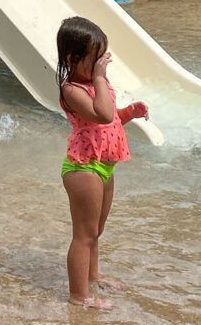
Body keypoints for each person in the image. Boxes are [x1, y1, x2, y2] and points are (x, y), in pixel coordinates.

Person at [57, 17, 148, 309]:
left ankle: (93, 278)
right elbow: (100, 115)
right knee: (83, 234)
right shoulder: (71, 89)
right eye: (95, 59)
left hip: (105, 165)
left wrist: (129, 113)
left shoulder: (99, 82)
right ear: (72, 58)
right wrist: (99, 78)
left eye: (102, 58)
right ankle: (78, 296)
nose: (101, 65)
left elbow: (111, 118)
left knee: (96, 231)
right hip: (83, 167)